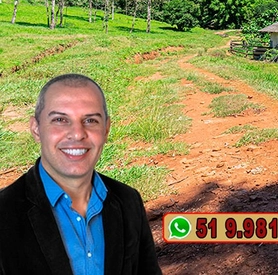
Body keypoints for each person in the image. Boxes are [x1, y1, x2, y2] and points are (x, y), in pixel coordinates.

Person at [0, 73, 162, 275]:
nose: (77, 134)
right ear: (36, 128)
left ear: (106, 129)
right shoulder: (4, 213)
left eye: (91, 120)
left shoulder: (128, 201)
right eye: (60, 119)